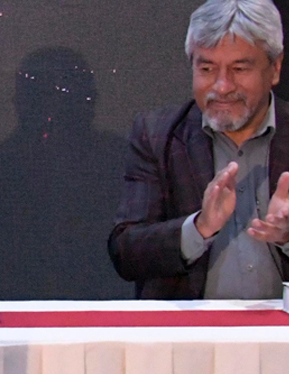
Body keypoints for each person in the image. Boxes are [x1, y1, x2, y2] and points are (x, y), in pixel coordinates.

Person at [109, 0, 289, 299]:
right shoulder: (158, 136)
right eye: (207, 68)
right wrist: (199, 228)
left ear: (275, 69)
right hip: (189, 339)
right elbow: (126, 253)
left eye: (239, 69)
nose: (221, 86)